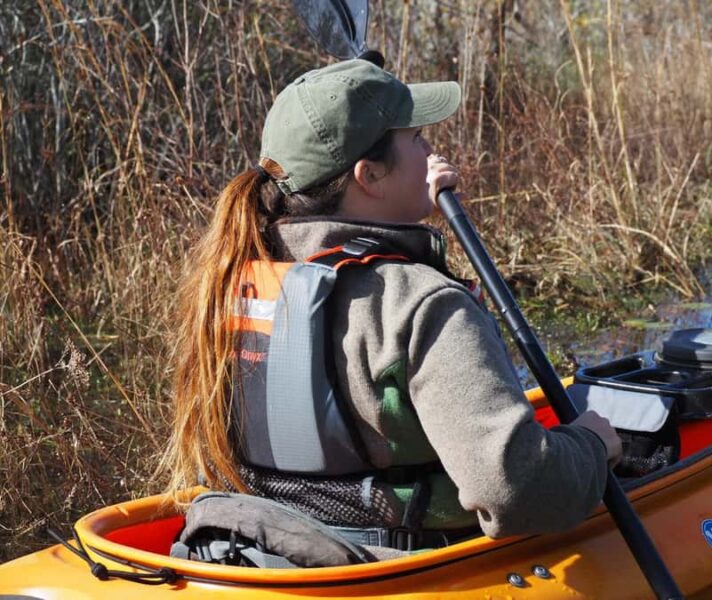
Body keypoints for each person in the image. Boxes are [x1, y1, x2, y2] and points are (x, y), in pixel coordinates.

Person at [164, 58, 622, 557]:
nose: (432, 150)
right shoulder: (421, 303)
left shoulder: (231, 281)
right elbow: (518, 490)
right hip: (413, 559)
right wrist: (595, 446)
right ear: (370, 175)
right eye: (417, 138)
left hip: (289, 547)